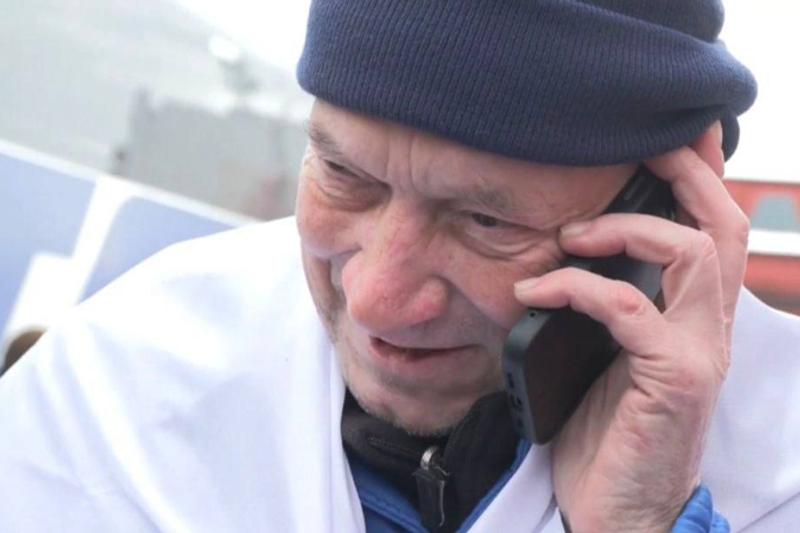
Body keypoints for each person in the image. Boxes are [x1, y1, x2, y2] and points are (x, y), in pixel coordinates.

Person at [1, 1, 799, 531]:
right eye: (345, 176)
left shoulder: (779, 465)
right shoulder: (115, 387)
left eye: (487, 221)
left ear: (668, 205)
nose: (377, 299)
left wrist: (643, 523)